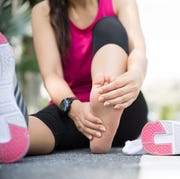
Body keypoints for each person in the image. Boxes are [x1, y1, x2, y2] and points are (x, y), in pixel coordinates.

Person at [0, 0, 148, 163]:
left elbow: (138, 50)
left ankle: (105, 104)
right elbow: (52, 75)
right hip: (72, 105)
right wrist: (75, 108)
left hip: (121, 103)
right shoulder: (43, 11)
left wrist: (136, 75)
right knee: (25, 130)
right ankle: (4, 134)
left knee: (109, 26)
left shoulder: (120, 2)